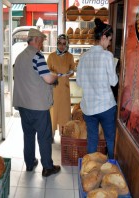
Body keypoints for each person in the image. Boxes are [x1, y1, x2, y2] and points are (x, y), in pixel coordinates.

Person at [13, 28, 61, 177]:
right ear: (35, 40)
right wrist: (56, 76)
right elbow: (47, 78)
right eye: (41, 41)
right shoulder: (37, 56)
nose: (41, 44)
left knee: (28, 135)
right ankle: (47, 167)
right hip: (37, 106)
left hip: (22, 104)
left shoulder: (19, 57)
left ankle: (29, 163)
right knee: (44, 136)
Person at [76, 19, 118, 159]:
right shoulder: (107, 56)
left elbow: (80, 82)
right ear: (103, 37)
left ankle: (90, 168)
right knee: (110, 139)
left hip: (89, 107)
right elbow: (113, 82)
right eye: (109, 39)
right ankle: (111, 167)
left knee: (92, 139)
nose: (110, 43)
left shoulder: (83, 57)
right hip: (106, 106)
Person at [47, 34, 75, 137]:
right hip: (54, 89)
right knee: (53, 112)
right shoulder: (51, 56)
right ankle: (51, 134)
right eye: (59, 43)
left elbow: (72, 69)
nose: (61, 46)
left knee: (64, 113)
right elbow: (47, 70)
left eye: (64, 44)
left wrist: (69, 73)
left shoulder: (70, 56)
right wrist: (55, 73)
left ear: (67, 44)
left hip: (65, 89)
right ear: (57, 43)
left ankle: (64, 135)